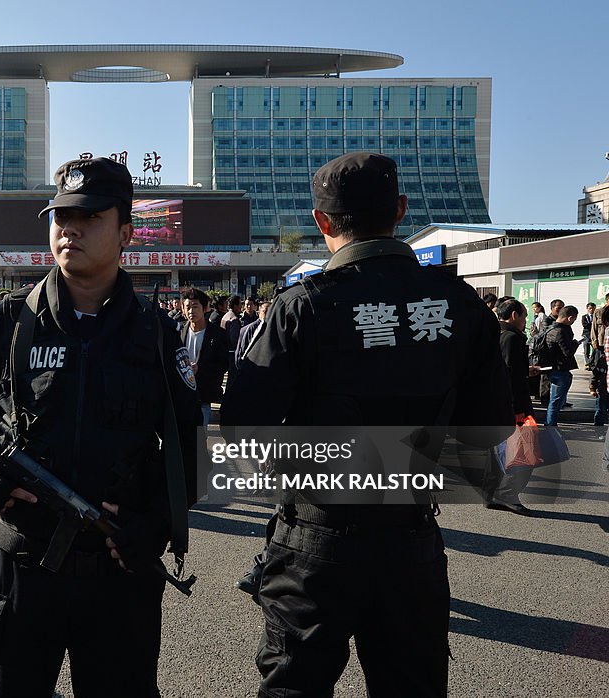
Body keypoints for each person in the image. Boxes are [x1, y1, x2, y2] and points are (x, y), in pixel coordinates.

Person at [220, 152, 513, 697]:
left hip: (315, 538)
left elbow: (242, 427)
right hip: (410, 539)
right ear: (400, 210)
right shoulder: (458, 305)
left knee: (294, 685)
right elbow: (492, 433)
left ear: (322, 222)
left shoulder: (301, 306)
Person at [0, 157, 202, 697]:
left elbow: (192, 445)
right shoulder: (10, 322)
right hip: (17, 566)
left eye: (90, 217)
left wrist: (153, 524)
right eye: (61, 217)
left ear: (126, 232)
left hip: (117, 575)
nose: (70, 230)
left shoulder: (156, 334)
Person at [484, 299, 540, 515]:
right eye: (525, 316)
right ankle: (507, 494)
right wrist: (516, 407)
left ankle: (493, 495)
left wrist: (527, 371)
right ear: (515, 315)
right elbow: (509, 376)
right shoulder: (511, 338)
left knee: (498, 453)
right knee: (525, 452)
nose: (525, 321)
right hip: (514, 406)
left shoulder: (493, 335)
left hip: (497, 404)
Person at [180, 286, 229, 426]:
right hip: (181, 395)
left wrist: (199, 368)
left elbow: (223, 363)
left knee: (200, 437)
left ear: (205, 308)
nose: (191, 311)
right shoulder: (178, 331)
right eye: (187, 307)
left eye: (195, 307)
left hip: (204, 395)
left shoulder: (218, 334)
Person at [543, 305, 579, 426]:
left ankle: (550, 424)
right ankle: (550, 425)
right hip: (560, 369)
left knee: (554, 401)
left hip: (552, 368)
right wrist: (575, 343)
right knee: (555, 402)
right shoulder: (561, 331)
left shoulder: (550, 328)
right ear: (569, 318)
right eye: (574, 319)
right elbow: (567, 352)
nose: (573, 322)